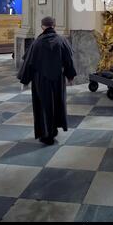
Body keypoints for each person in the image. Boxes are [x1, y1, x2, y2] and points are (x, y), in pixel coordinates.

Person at [17, 16, 77, 145]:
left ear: (42, 26)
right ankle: (54, 130)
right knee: (57, 104)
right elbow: (69, 60)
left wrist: (25, 80)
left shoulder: (36, 43)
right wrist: (70, 76)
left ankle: (45, 134)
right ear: (54, 26)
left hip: (41, 81)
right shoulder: (62, 40)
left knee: (43, 107)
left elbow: (28, 63)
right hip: (58, 80)